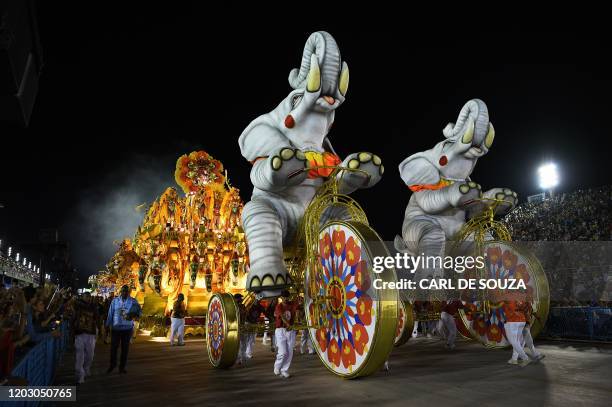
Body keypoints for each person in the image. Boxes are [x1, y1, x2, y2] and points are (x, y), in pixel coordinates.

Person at [105, 285, 141, 374]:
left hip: (127, 329)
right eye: (123, 291)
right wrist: (107, 325)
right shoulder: (115, 301)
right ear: (120, 291)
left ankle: (122, 367)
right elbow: (110, 313)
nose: (124, 293)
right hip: (116, 329)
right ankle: (112, 365)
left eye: (126, 291)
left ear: (129, 292)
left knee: (125, 349)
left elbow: (139, 312)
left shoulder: (133, 301)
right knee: (113, 348)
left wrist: (134, 316)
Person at [72, 292, 99, 384]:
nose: (87, 298)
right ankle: (81, 375)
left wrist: (97, 331)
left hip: (90, 334)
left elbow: (97, 318)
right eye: (86, 296)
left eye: (89, 297)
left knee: (90, 355)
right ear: (82, 297)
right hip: (79, 333)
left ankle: (86, 367)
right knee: (80, 355)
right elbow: (73, 317)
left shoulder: (94, 307)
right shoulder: (76, 305)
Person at [273, 290, 297, 378]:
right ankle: (277, 367)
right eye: (284, 297)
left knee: (290, 352)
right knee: (283, 352)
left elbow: (301, 304)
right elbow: (282, 317)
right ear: (281, 298)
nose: (285, 299)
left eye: (287, 297)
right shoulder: (278, 306)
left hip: (290, 331)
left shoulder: (292, 304)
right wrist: (288, 324)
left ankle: (284, 370)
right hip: (280, 330)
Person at [503, 292, 531, 366]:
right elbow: (526, 308)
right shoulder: (521, 296)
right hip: (522, 320)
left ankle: (525, 358)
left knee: (513, 341)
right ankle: (514, 359)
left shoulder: (507, 296)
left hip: (513, 321)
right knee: (517, 341)